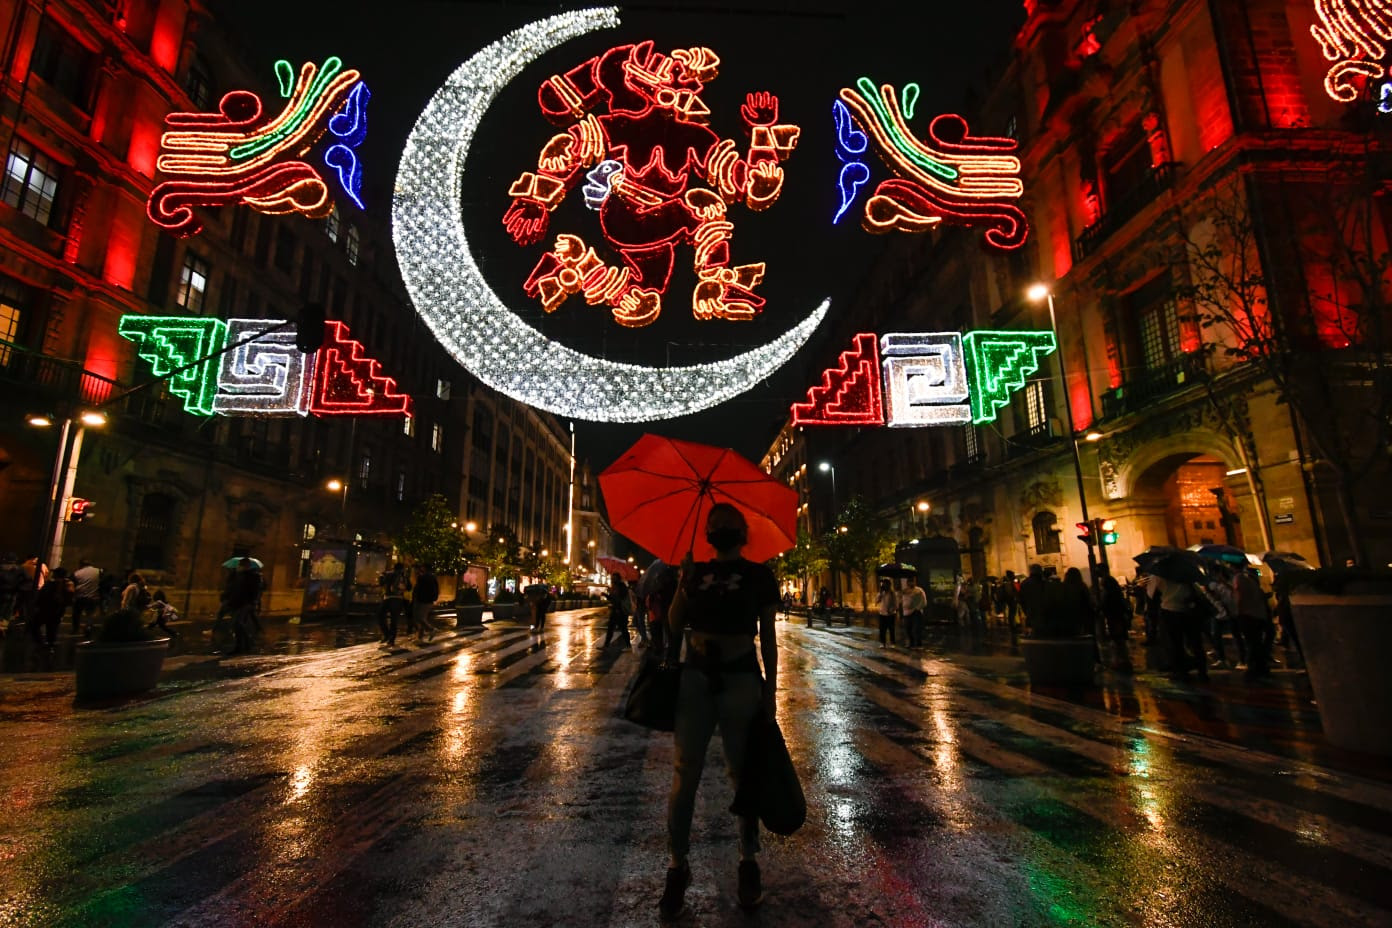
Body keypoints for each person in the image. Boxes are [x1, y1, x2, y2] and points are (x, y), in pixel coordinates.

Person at [661, 503, 780, 919]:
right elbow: (675, 624)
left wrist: (772, 693)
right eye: (716, 523)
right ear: (709, 532)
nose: (722, 527)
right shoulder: (695, 573)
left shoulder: (760, 575)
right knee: (683, 773)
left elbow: (768, 638)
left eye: (729, 523)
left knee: (741, 774)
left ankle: (748, 860)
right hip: (695, 681)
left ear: (742, 531)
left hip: (742, 680)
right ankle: (677, 866)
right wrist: (683, 580)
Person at [1147, 573, 1207, 682]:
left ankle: (1181, 672)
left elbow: (1151, 595)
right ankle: (1202, 672)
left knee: (1175, 643)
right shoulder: (1185, 572)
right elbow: (1197, 591)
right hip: (1188, 610)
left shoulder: (1157, 575)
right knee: (1196, 643)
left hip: (1169, 610)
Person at [1233, 568, 1271, 680]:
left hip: (1247, 615)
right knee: (1256, 642)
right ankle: (1261, 667)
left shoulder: (1238, 578)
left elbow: (1239, 597)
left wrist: (1238, 612)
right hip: (1257, 615)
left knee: (1251, 643)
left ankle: (1253, 669)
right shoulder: (1251, 581)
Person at [225, 559, 262, 654]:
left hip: (245, 603)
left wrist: (253, 602)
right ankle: (246, 644)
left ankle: (243, 645)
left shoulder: (253, 577)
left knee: (238, 624)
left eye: (241, 565)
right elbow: (233, 589)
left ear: (246, 566)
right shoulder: (237, 576)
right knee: (237, 625)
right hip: (236, 602)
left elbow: (254, 591)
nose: (239, 567)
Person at [1099, 571, 1133, 671]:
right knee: (1120, 641)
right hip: (1119, 618)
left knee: (1117, 641)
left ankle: (1120, 662)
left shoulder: (1107, 594)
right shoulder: (1117, 592)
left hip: (1114, 619)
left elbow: (1103, 606)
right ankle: (1124, 661)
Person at [33, 567, 74, 647]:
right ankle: (50, 645)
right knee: (52, 628)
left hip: (46, 609)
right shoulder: (68, 584)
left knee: (34, 625)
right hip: (59, 610)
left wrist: (37, 605)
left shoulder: (50, 583)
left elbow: (42, 595)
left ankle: (40, 643)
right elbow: (70, 598)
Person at [378, 563, 410, 647]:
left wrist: (381, 576)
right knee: (394, 620)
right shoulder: (404, 576)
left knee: (380, 616)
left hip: (388, 598)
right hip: (398, 599)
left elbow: (381, 583)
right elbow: (409, 587)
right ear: (402, 568)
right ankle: (391, 640)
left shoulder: (388, 574)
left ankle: (386, 634)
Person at [1017, 564, 1048, 637]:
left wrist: (1026, 609)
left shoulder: (1024, 583)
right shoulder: (1044, 582)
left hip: (1030, 611)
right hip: (1044, 613)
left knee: (1033, 634)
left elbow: (1021, 599)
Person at [70, 560, 101, 633]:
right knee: (90, 613)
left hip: (80, 596)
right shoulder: (97, 571)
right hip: (92, 596)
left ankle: (75, 628)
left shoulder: (77, 573)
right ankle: (88, 627)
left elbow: (73, 584)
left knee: (76, 614)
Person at [603, 574, 633, 648]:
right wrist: (606, 595)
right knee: (611, 628)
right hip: (615, 611)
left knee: (623, 629)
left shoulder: (621, 587)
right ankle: (606, 644)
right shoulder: (616, 587)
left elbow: (618, 599)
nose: (612, 580)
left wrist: (611, 593)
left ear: (617, 579)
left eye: (614, 578)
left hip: (620, 611)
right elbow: (613, 599)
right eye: (612, 578)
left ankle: (628, 645)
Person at [413, 564, 440, 643]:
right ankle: (420, 637)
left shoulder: (421, 577)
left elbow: (418, 589)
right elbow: (436, 589)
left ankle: (431, 629)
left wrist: (415, 599)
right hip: (429, 600)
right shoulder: (433, 577)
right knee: (423, 618)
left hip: (421, 600)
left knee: (419, 618)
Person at [899, 575, 927, 648]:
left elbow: (924, 602)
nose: (911, 583)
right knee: (908, 629)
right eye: (909, 582)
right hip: (906, 613)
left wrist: (917, 608)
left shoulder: (918, 590)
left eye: (912, 581)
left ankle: (918, 644)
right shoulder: (904, 591)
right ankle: (911, 643)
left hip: (916, 612)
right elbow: (901, 601)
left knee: (916, 629)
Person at [997, 570, 1020, 645]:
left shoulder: (1005, 582)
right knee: (1013, 613)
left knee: (1011, 613)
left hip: (1008, 599)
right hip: (1013, 599)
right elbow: (1018, 589)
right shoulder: (1014, 581)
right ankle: (1014, 627)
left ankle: (1012, 626)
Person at [875, 577, 898, 646]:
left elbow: (895, 604)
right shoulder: (881, 593)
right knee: (882, 629)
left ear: (889, 585)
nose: (884, 585)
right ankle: (882, 642)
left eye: (885, 584)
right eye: (883, 584)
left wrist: (891, 610)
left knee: (891, 629)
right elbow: (876, 602)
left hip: (890, 614)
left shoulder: (892, 593)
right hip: (882, 613)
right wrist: (880, 594)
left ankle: (892, 642)